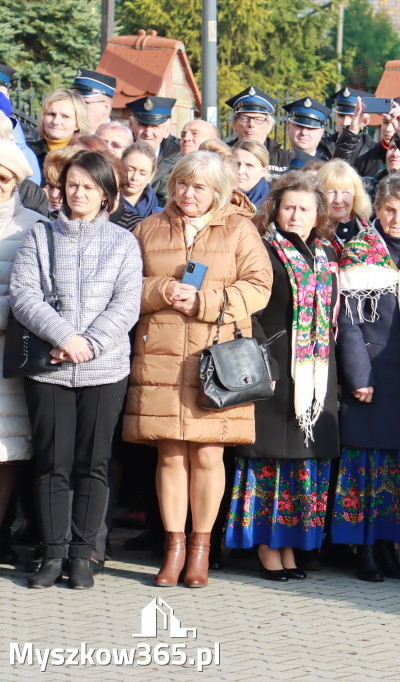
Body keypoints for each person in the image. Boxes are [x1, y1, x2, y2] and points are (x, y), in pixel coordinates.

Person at [122, 151, 273, 589]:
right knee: (169, 454)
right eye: (183, 184)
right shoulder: (147, 229)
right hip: (162, 359)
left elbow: (259, 287)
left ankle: (201, 548)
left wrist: (206, 302)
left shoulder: (240, 230)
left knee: (208, 454)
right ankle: (173, 547)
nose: (189, 194)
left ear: (217, 191)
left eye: (200, 187)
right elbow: (124, 286)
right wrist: (160, 289)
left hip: (218, 359)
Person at [10, 150, 142, 589]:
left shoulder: (123, 243)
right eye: (71, 186)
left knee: (94, 462)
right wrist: (65, 338)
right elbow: (24, 295)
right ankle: (51, 553)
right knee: (52, 462)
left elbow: (126, 303)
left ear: (106, 194)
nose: (78, 193)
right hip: (50, 368)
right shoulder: (40, 235)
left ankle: (84, 555)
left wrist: (89, 343)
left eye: (88, 186)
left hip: (104, 371)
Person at [224, 171, 339, 581]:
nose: (295, 214)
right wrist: (262, 364)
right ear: (275, 209)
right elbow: (248, 312)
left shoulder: (323, 255)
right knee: (270, 462)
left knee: (301, 463)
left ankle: (290, 546)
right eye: (289, 206)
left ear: (317, 215)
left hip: (315, 373)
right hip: (273, 369)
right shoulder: (263, 251)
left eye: (304, 208)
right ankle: (266, 549)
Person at [331, 174, 400, 583]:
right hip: (371, 375)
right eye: (389, 210)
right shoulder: (359, 250)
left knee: (396, 467)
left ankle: (389, 549)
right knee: (365, 467)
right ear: (377, 210)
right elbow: (347, 321)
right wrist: (358, 375)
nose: (397, 218)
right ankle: (363, 549)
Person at [0, 139, 42, 566]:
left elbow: (32, 291)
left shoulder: (32, 225)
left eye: (3, 177)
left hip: (8, 354)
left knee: (7, 449)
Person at [334, 98, 400, 180]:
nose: (395, 154)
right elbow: (339, 176)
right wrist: (352, 132)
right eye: (392, 148)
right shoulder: (373, 184)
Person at [225, 86, 290, 179]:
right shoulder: (222, 154)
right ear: (234, 123)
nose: (251, 124)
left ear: (269, 126)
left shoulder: (285, 160)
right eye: (245, 118)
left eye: (258, 119)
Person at [27, 89, 91, 169]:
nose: (56, 121)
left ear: (77, 124)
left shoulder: (85, 157)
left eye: (65, 116)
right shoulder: (27, 153)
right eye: (51, 114)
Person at [126, 97, 180, 187]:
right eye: (142, 125)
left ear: (167, 130)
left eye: (155, 126)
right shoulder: (118, 150)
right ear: (131, 125)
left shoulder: (177, 159)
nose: (147, 133)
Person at [316, 159, 372, 243]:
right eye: (331, 192)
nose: (338, 200)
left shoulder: (370, 233)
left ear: (356, 194)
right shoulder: (310, 234)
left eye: (345, 192)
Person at [283, 97, 334, 166]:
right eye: (299, 126)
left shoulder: (326, 169)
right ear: (288, 127)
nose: (304, 133)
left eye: (311, 128)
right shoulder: (274, 162)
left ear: (321, 133)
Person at [328, 88, 374, 162]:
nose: (344, 122)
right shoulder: (321, 146)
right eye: (341, 116)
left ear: (366, 118)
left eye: (352, 116)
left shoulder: (373, 150)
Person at [120, 142, 160, 218]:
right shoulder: (103, 204)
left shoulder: (159, 214)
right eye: (130, 170)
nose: (135, 177)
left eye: (142, 173)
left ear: (151, 176)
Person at [234, 140, 270, 209]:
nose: (240, 171)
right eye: (237, 164)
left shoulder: (272, 207)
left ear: (264, 171)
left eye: (249, 165)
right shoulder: (217, 199)